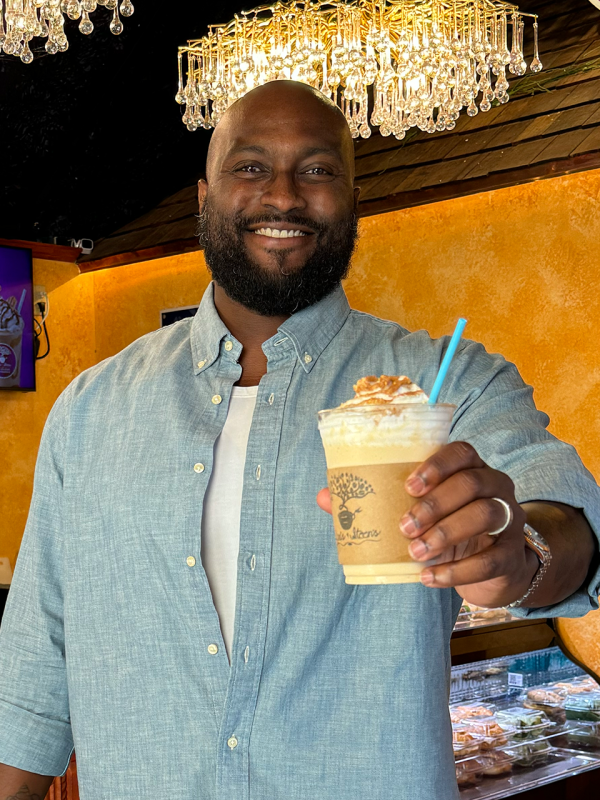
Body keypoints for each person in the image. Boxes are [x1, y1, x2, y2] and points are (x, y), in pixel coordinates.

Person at [0, 80, 598, 800]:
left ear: (351, 199)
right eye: (250, 166)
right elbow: (33, 670)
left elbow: (565, 519)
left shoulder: (446, 381)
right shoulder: (91, 409)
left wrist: (518, 553)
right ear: (203, 196)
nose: (283, 195)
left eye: (316, 170)